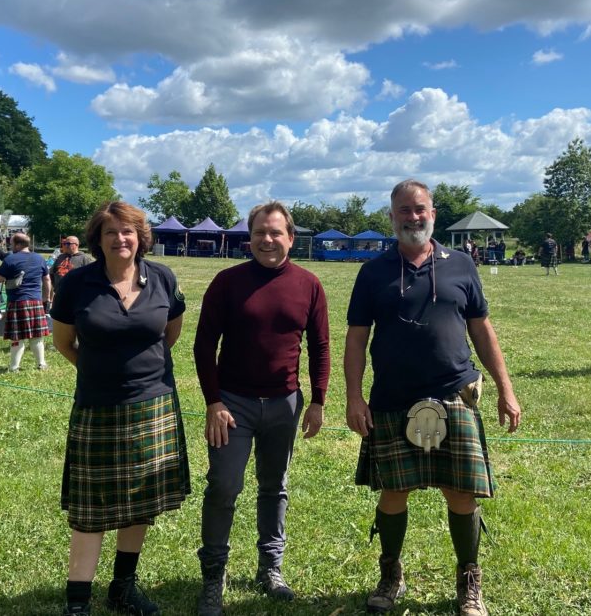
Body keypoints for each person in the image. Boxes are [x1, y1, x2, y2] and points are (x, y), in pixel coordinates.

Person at [345, 179, 521, 616]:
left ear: (433, 214)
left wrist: (506, 389)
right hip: (392, 396)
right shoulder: (373, 271)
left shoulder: (461, 264)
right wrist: (353, 396)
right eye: (403, 210)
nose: (412, 217)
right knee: (393, 491)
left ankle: (469, 581)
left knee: (461, 493)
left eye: (419, 209)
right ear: (392, 216)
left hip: (454, 392)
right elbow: (355, 339)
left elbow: (482, 328)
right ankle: (390, 575)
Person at [50, 201, 189, 616]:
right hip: (98, 407)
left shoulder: (162, 278)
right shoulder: (77, 283)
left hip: (152, 405)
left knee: (141, 501)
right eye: (111, 232)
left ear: (140, 236)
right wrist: (97, 370)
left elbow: (170, 333)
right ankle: (77, 602)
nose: (120, 239)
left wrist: (141, 374)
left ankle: (122, 588)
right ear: (98, 239)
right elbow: (63, 342)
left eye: (127, 231)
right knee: (90, 510)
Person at [193, 202, 330, 615]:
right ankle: (213, 577)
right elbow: (203, 346)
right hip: (232, 405)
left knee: (275, 487)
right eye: (259, 233)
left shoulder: (309, 284)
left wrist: (319, 400)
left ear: (291, 236)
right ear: (248, 237)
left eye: (275, 233)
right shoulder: (227, 282)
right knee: (224, 487)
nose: (267, 241)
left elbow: (321, 347)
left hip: (285, 403)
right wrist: (213, 403)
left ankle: (270, 569)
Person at [0, 233, 51, 372]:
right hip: (35, 301)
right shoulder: (39, 258)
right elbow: (47, 280)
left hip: (17, 302)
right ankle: (41, 364)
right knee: (37, 335)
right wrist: (46, 298)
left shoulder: (10, 259)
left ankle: (14, 367)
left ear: (18, 245)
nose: (11, 246)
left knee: (17, 336)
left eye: (12, 243)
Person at [49, 236, 94, 304]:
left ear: (76, 245)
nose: (65, 245)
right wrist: (56, 287)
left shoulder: (85, 258)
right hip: (60, 295)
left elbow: (92, 276)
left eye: (68, 243)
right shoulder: (60, 257)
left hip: (78, 297)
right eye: (64, 243)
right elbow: (52, 273)